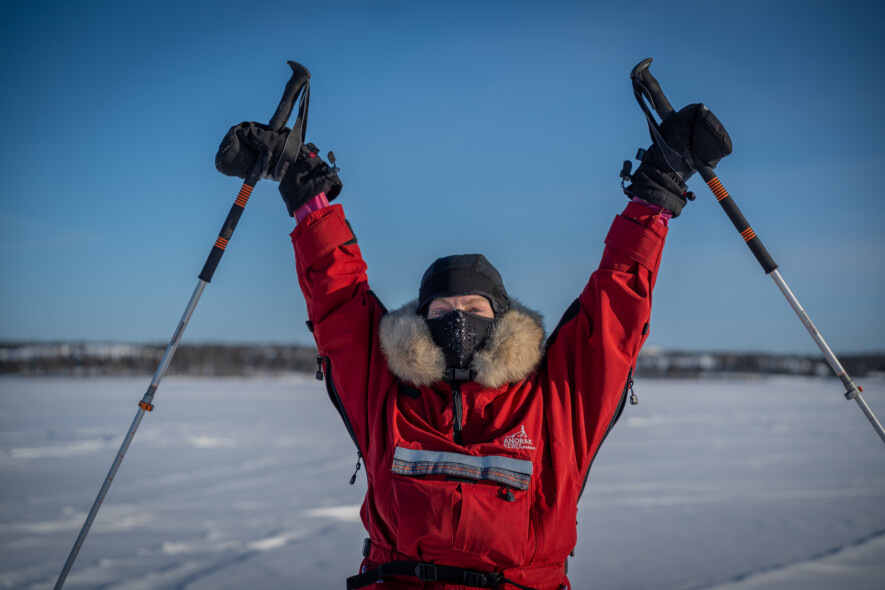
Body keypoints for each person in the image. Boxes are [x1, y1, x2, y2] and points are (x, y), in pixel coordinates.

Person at [216, 103, 732, 590]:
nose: (458, 320)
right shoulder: (388, 396)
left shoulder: (555, 400)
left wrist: (655, 194)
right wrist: (306, 192)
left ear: (502, 320)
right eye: (441, 311)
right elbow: (342, 305)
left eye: (475, 308)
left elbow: (614, 310)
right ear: (420, 324)